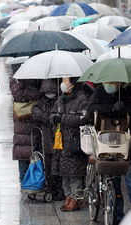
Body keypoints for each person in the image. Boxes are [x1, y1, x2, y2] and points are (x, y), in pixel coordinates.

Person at [88, 82, 131, 225]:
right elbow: (91, 109)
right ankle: (117, 215)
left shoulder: (127, 92)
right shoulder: (100, 91)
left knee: (127, 180)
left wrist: (124, 107)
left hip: (125, 140)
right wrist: (111, 108)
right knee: (114, 178)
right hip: (106, 141)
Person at [50, 77, 89, 211]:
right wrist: (54, 118)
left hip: (74, 143)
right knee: (64, 175)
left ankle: (75, 199)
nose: (63, 83)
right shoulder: (60, 100)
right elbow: (53, 114)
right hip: (60, 142)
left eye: (65, 80)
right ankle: (68, 197)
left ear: (73, 83)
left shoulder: (81, 99)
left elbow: (82, 118)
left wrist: (63, 118)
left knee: (75, 175)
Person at [31, 79, 64, 200]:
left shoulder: (60, 101)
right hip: (46, 139)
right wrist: (50, 118)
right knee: (48, 165)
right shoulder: (40, 103)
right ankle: (51, 187)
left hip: (56, 138)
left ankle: (57, 189)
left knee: (57, 164)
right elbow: (36, 112)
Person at [10, 78, 41, 182]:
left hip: (32, 120)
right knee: (23, 149)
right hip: (23, 120)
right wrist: (36, 93)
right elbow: (18, 94)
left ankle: (32, 178)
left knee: (32, 149)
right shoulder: (18, 79)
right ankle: (24, 179)